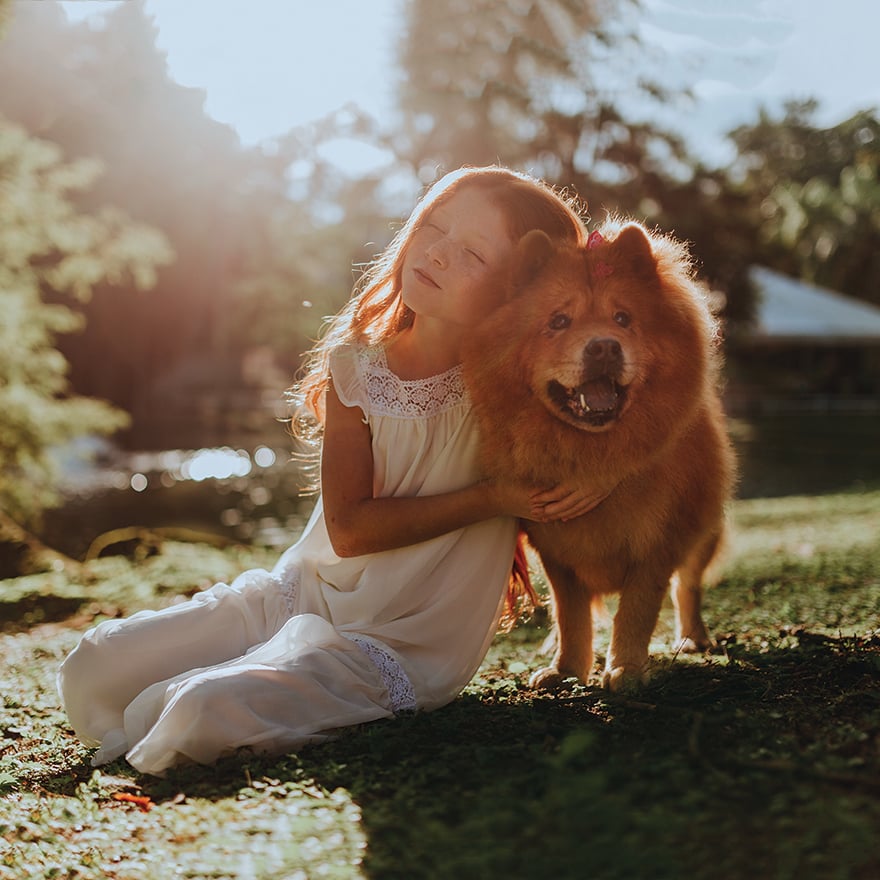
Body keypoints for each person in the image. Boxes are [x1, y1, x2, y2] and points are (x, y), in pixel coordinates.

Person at [57, 165, 603, 776]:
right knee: (94, 666)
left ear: (519, 289)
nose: (439, 254)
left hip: (402, 640)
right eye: (434, 227)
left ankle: (223, 690)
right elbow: (349, 531)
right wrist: (495, 498)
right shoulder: (356, 369)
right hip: (305, 593)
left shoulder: (519, 390)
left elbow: (621, 435)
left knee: (198, 710)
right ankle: (222, 673)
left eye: (473, 253)